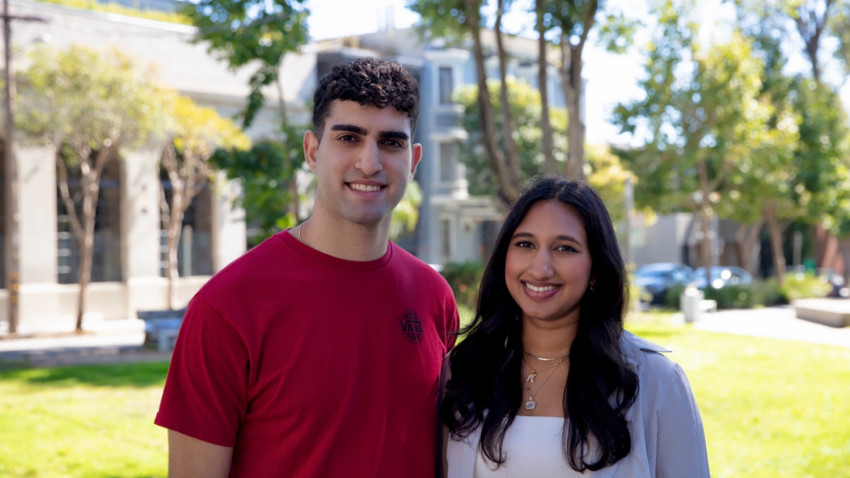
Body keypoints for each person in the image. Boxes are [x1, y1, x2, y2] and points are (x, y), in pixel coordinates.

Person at [155, 57, 459, 477]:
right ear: (312, 151)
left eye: (391, 142)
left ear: (414, 160)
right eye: (349, 138)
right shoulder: (228, 306)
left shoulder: (434, 297)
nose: (369, 162)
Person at [440, 177, 710, 477]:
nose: (540, 268)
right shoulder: (464, 371)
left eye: (564, 248)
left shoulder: (656, 380)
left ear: (596, 268)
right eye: (525, 244)